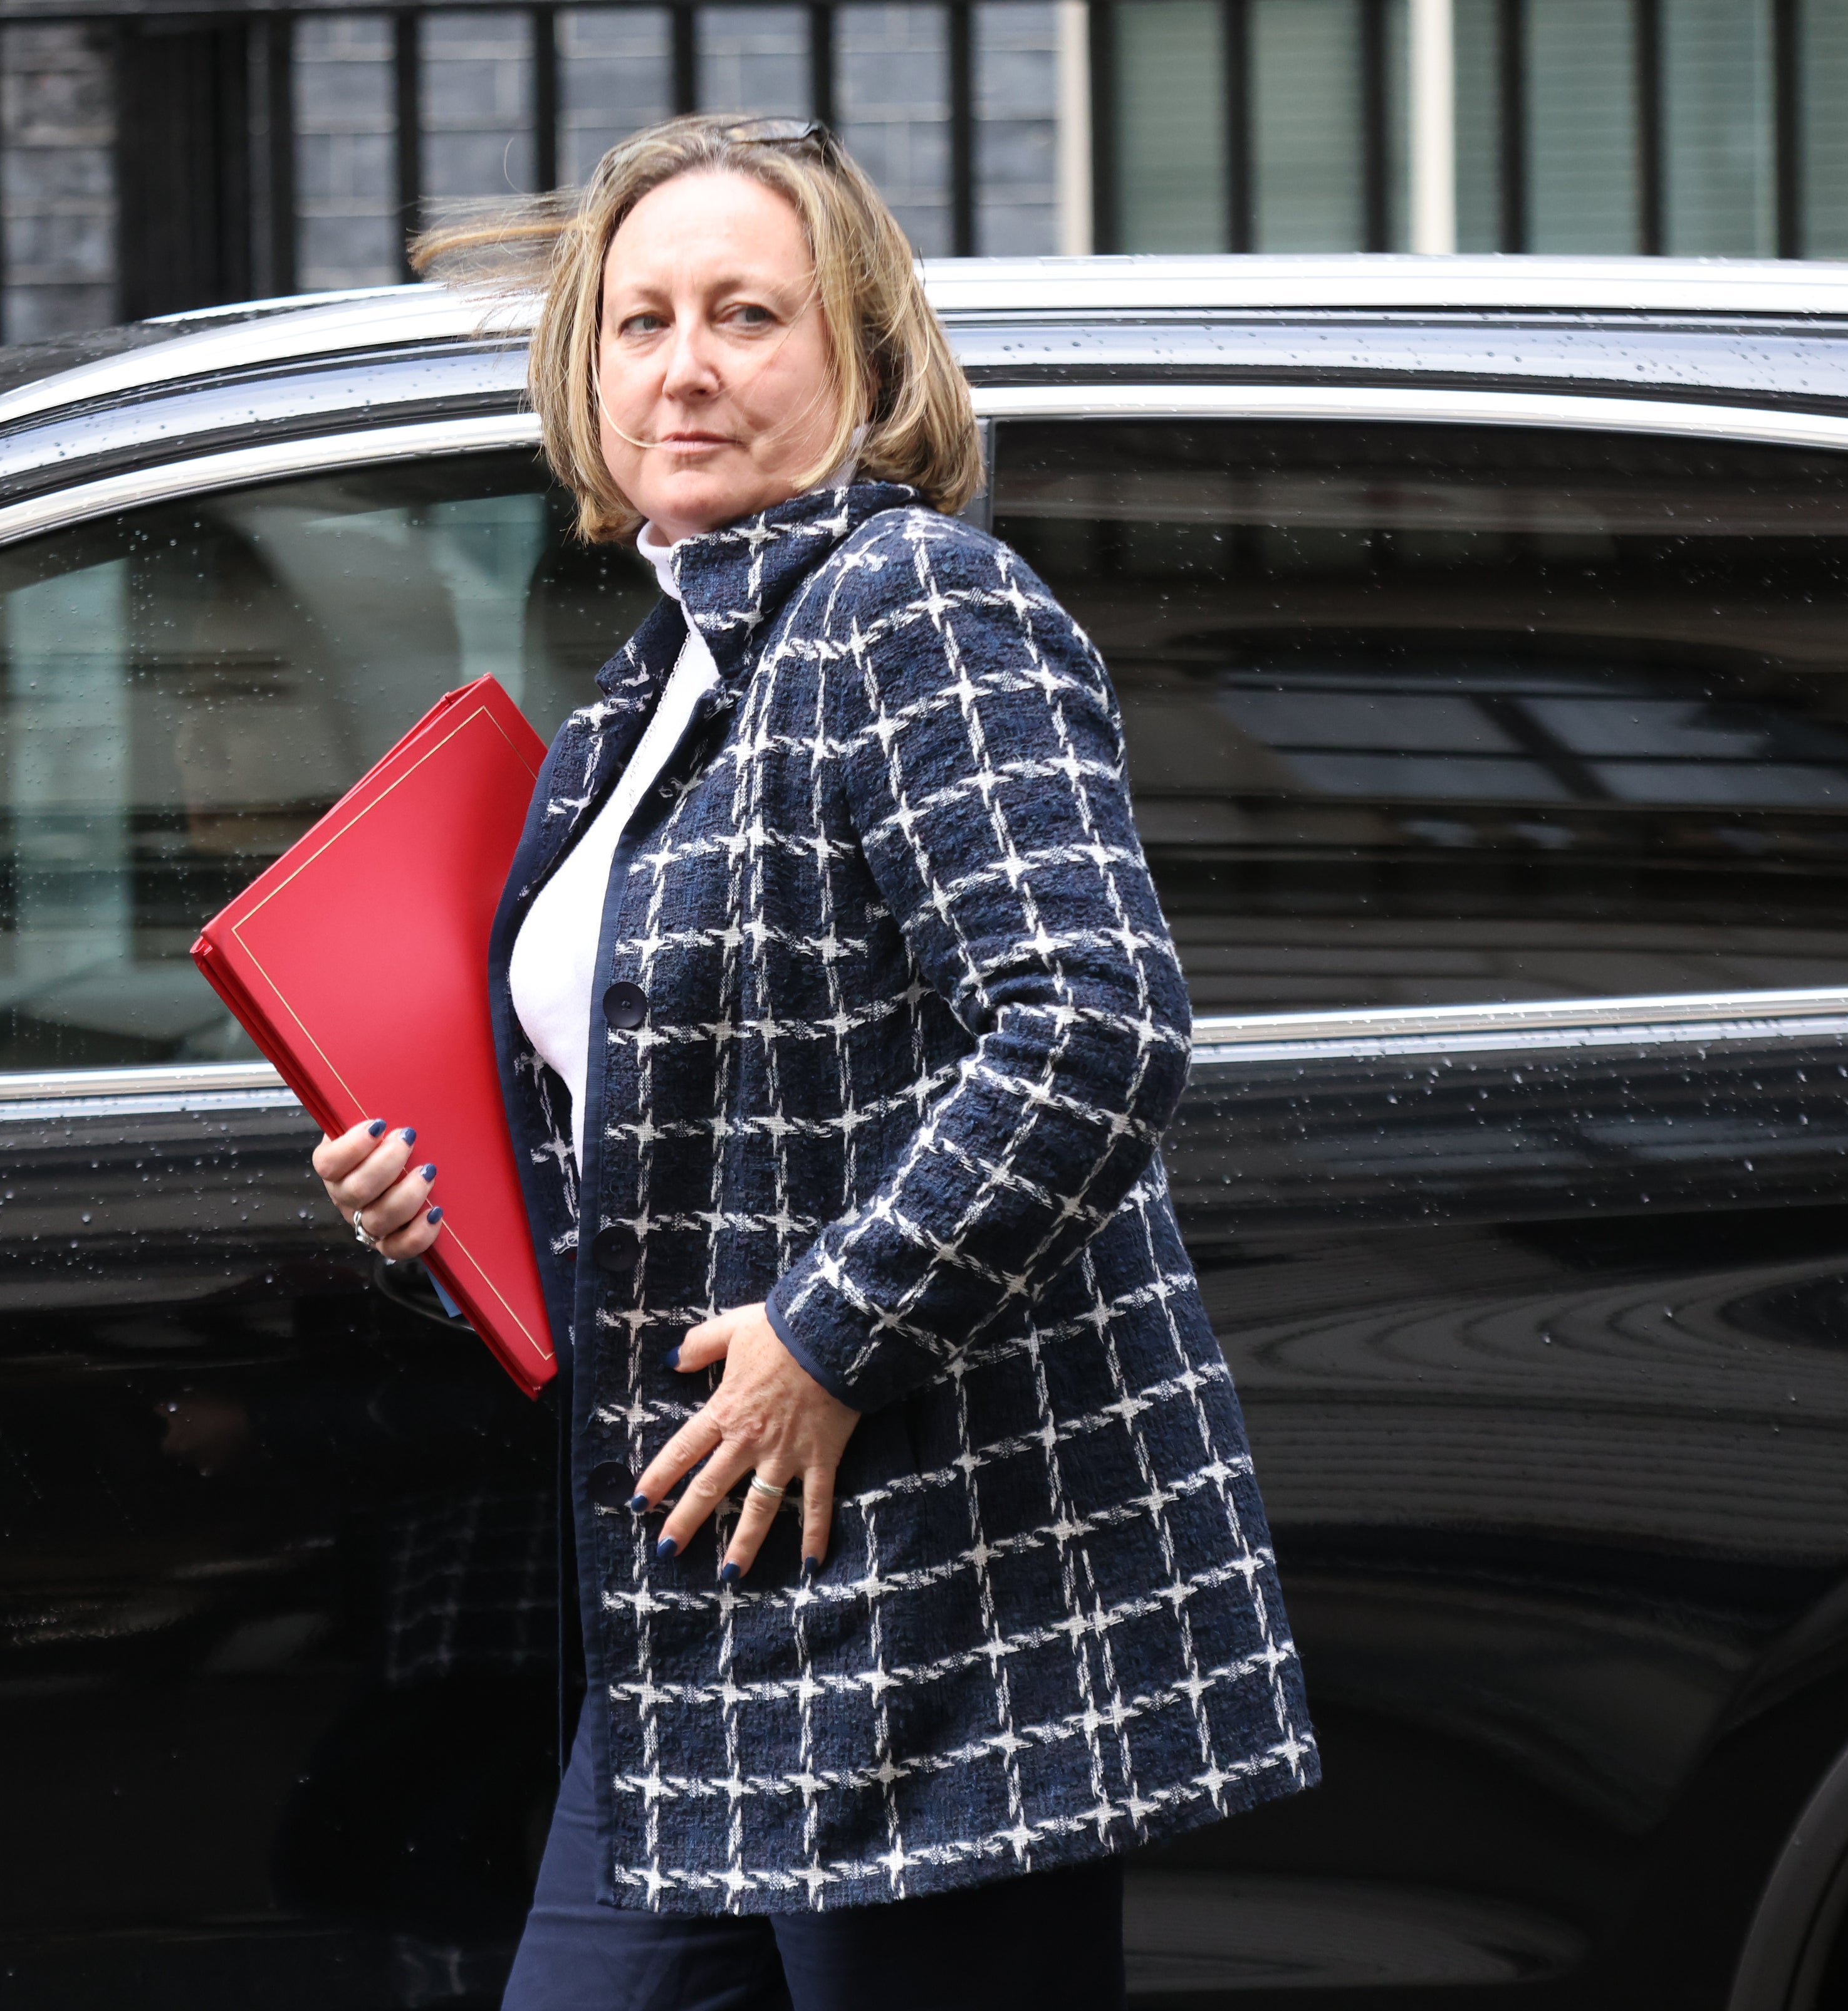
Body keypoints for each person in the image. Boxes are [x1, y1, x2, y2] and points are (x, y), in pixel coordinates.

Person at [310, 113, 1317, 2010]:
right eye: (639, 320)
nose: (682, 366)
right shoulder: (655, 685)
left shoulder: (913, 601)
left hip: (925, 1611)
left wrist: (831, 1336)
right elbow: (678, 1109)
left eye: (745, 315)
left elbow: (1096, 1022)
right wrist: (439, 1197)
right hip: (699, 1632)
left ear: (858, 355)